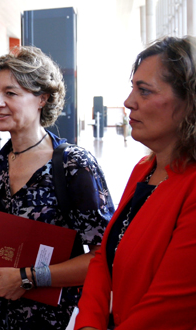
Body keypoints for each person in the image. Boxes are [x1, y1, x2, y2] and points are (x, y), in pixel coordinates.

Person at [0, 46, 114, 330]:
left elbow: (104, 256)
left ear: (42, 99)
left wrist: (26, 278)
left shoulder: (73, 164)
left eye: (10, 93)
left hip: (51, 319)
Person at [75, 36, 196, 330]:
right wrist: (89, 323)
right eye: (133, 89)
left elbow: (169, 307)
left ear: (189, 103)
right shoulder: (144, 169)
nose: (129, 102)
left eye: (144, 91)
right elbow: (104, 257)